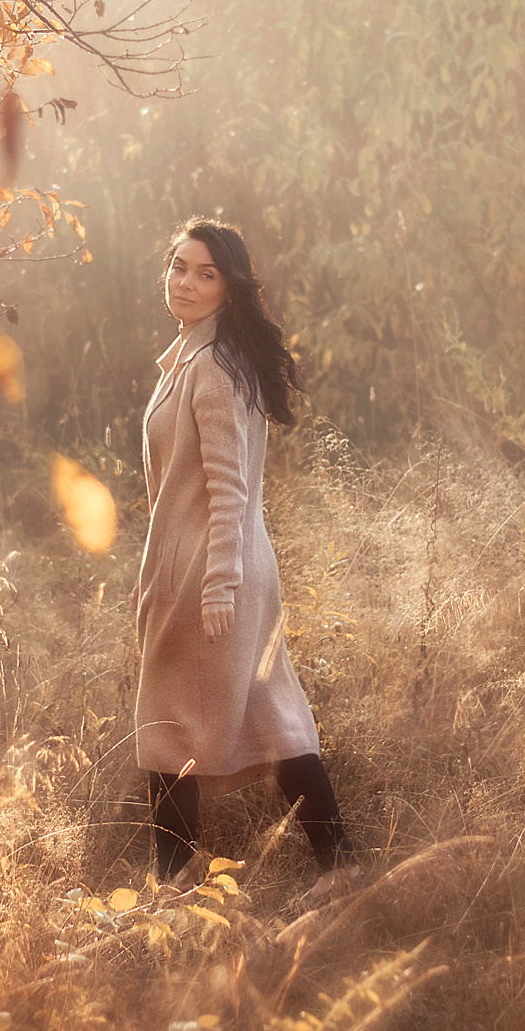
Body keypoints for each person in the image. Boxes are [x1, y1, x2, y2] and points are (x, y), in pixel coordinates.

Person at [133, 217, 358, 902]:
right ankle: (342, 866)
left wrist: (217, 587)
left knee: (167, 727)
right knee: (275, 718)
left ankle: (170, 890)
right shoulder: (194, 357)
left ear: (229, 289)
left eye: (207, 273)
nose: (187, 282)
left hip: (211, 571)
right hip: (216, 567)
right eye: (179, 265)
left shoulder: (211, 369)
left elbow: (231, 490)